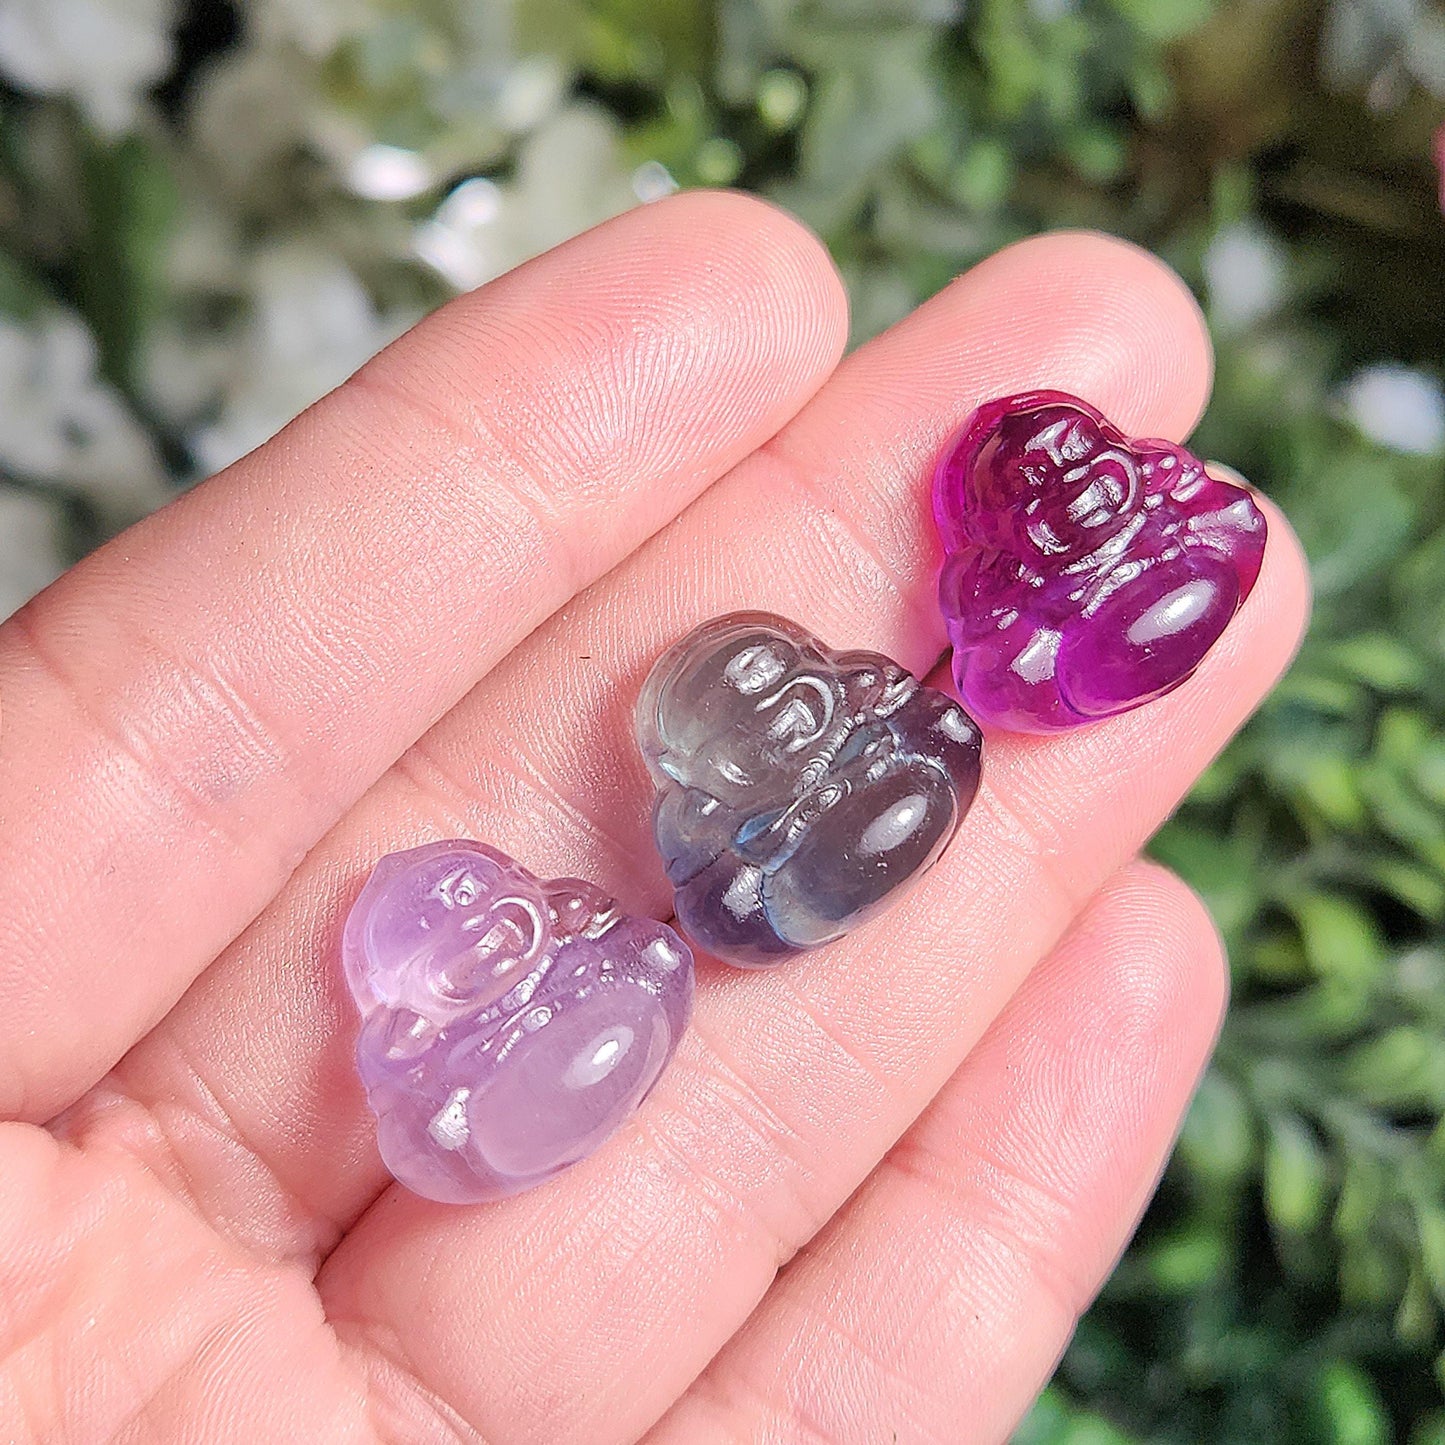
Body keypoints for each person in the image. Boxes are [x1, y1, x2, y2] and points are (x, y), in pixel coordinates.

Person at [0, 190, 1308, 1443]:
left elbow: (959, 693)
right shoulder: (571, 948)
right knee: (728, 899)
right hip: (710, 896)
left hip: (856, 790)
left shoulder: (987, 659)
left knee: (892, 778)